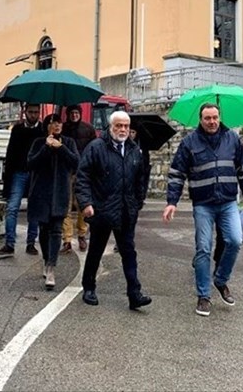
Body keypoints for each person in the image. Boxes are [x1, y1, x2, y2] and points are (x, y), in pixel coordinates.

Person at [162, 103, 243, 317]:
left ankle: (220, 280)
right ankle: (203, 296)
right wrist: (171, 202)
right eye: (207, 118)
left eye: (214, 117)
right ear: (201, 120)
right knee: (203, 248)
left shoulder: (232, 139)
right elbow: (177, 174)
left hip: (228, 203)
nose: (211, 122)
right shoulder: (189, 143)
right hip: (203, 204)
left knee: (234, 240)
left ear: (219, 117)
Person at [75, 110, 152, 310]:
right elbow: (82, 177)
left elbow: (140, 180)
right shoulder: (96, 148)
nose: (123, 129)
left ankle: (134, 294)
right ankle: (89, 287)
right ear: (111, 127)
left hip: (126, 211)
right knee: (96, 250)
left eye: (126, 126)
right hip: (101, 209)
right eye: (119, 125)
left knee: (129, 252)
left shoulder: (135, 150)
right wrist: (86, 203)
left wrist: (137, 203)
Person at [26, 114, 79, 290]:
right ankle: (45, 259)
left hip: (60, 192)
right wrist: (46, 148)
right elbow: (31, 163)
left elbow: (76, 162)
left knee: (56, 230)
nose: (57, 125)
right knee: (44, 229)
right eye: (53, 122)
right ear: (47, 125)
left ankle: (51, 267)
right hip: (41, 192)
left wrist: (61, 147)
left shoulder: (68, 142)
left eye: (59, 123)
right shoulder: (38, 142)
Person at [0, 104, 44, 256]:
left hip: (36, 173)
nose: (33, 115)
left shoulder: (42, 130)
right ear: (25, 112)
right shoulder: (17, 129)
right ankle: (9, 243)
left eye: (36, 112)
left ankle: (31, 243)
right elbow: (10, 153)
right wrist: (7, 177)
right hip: (19, 172)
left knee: (34, 209)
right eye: (31, 112)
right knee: (12, 207)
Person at [61, 104, 97, 253]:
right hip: (67, 171)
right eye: (72, 112)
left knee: (83, 204)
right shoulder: (63, 128)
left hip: (83, 171)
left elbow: (95, 147)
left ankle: (82, 235)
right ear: (68, 114)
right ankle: (67, 239)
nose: (74, 115)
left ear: (80, 114)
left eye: (77, 112)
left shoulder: (88, 128)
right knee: (66, 205)